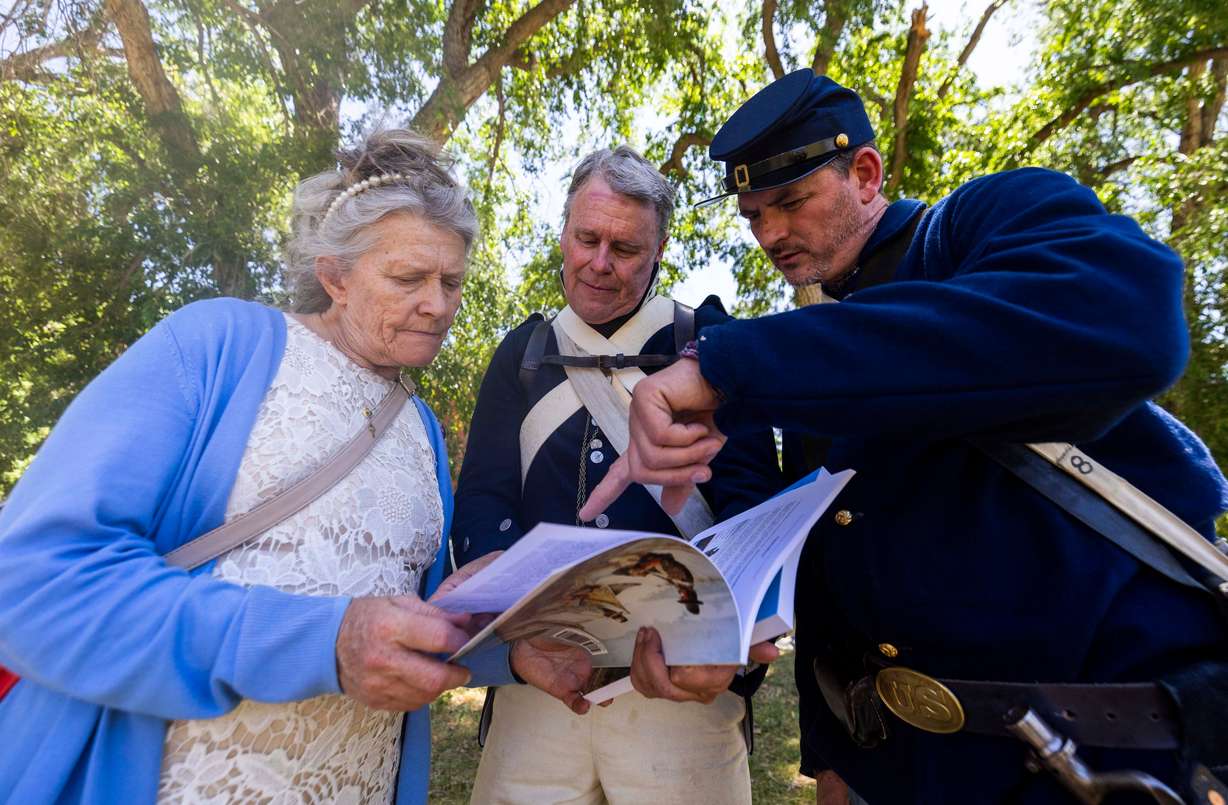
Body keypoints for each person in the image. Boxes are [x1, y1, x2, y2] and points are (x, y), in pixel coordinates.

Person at [582, 69, 1228, 804]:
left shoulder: (979, 223)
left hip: (1096, 764)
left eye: (790, 201)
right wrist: (831, 757)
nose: (770, 234)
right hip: (889, 768)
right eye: (753, 213)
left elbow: (1134, 322)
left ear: (865, 172)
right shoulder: (814, 357)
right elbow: (834, 563)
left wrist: (729, 366)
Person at [0, 128, 591, 805]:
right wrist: (321, 643)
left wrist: (506, 653)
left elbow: (395, 628)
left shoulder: (420, 427)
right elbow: (30, 577)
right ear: (334, 275)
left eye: (452, 280)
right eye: (408, 278)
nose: (440, 304)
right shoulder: (217, 346)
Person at [451, 145, 784, 804]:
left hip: (677, 692)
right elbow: (483, 497)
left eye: (625, 248)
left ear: (658, 252)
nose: (599, 262)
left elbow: (752, 510)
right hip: (539, 691)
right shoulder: (523, 352)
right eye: (587, 238)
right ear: (565, 234)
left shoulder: (707, 338)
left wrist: (729, 643)